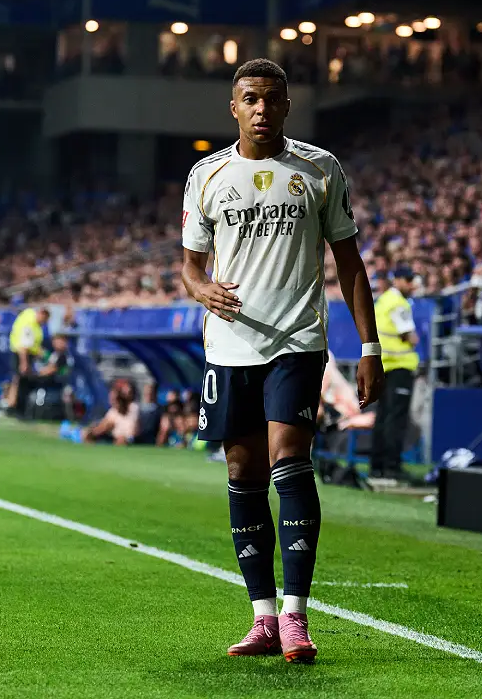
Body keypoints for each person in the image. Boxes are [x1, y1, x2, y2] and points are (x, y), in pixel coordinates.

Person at [181, 58, 384, 663]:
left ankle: (296, 616)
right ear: (234, 107)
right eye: (251, 99)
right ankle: (262, 618)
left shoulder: (320, 169)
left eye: (272, 99)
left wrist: (368, 347)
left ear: (287, 106)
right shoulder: (207, 174)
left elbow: (349, 264)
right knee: (242, 472)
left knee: (290, 460)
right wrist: (201, 290)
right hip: (230, 347)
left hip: (297, 340)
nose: (262, 109)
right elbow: (190, 264)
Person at [370, 265, 419, 480]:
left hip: (383, 365)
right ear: (397, 280)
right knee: (395, 419)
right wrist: (414, 339)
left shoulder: (383, 300)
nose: (412, 285)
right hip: (399, 365)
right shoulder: (398, 304)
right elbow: (410, 336)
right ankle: (392, 466)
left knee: (382, 416)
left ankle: (377, 464)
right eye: (408, 280)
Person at [17, 333, 75, 421]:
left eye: (59, 340)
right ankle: (22, 411)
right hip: (49, 381)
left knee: (26, 382)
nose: (56, 343)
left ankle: (24, 413)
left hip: (57, 383)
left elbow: (51, 370)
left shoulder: (64, 355)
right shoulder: (55, 354)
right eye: (55, 340)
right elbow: (45, 357)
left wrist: (34, 375)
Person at [7, 306, 50, 413]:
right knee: (19, 381)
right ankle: (14, 407)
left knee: (18, 380)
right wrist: (24, 363)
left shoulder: (30, 317)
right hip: (22, 355)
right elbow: (24, 346)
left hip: (24, 354)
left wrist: (40, 352)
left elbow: (32, 344)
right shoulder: (30, 323)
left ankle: (15, 406)